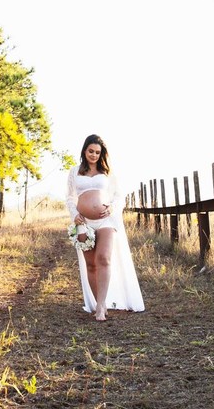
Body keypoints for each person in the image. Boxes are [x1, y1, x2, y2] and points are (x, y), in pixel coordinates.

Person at [65, 134, 145, 320]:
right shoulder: (74, 172)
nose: (94, 155)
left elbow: (118, 195)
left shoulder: (107, 172)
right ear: (84, 151)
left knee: (103, 258)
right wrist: (75, 215)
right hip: (84, 223)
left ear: (101, 154)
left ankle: (101, 305)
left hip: (106, 220)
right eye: (91, 151)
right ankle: (97, 302)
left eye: (97, 152)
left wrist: (112, 208)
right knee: (91, 264)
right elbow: (69, 197)